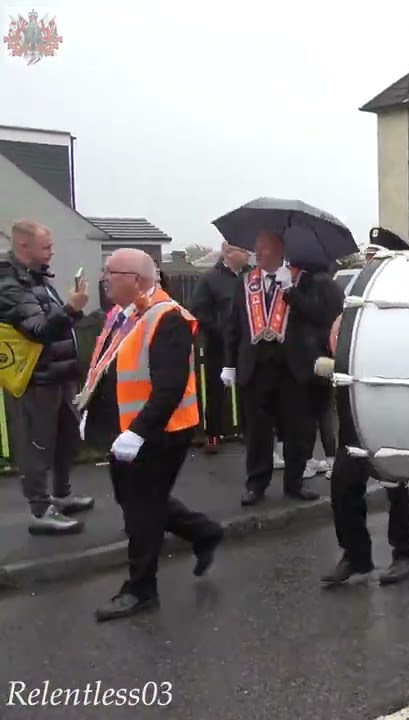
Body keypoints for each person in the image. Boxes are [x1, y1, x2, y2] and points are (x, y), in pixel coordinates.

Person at [79, 249, 224, 621]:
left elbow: (169, 387)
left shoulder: (167, 318)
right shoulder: (124, 315)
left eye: (112, 272)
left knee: (142, 509)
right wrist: (91, 409)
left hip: (160, 432)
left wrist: (139, 433)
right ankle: (204, 532)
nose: (104, 278)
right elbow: (108, 368)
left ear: (138, 280)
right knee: (138, 501)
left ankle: (141, 589)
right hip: (128, 430)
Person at [320, 231, 409, 587]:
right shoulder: (356, 304)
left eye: (376, 261)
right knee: (344, 484)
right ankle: (356, 555)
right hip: (355, 405)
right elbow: (339, 343)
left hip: (394, 404)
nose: (368, 267)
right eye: (368, 261)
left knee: (398, 482)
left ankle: (405, 553)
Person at [220, 230, 343, 506]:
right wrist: (229, 364)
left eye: (265, 248)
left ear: (280, 250)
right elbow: (233, 327)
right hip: (257, 367)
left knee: (298, 430)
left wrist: (291, 292)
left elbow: (319, 315)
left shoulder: (302, 280)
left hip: (292, 368)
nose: (259, 253)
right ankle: (256, 484)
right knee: (258, 431)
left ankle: (295, 483)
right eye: (257, 248)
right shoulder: (245, 283)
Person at [0, 220, 94, 535]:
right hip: (35, 379)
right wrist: (70, 309)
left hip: (58, 374)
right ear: (23, 246)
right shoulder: (10, 282)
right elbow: (38, 330)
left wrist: (71, 311)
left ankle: (62, 494)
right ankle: (40, 510)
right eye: (46, 246)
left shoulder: (36, 277)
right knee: (36, 445)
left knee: (65, 438)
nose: (52, 251)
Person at [189, 241, 249, 452]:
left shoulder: (248, 278)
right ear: (227, 252)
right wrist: (219, 330)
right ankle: (213, 434)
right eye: (243, 249)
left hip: (245, 343)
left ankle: (246, 430)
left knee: (247, 386)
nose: (247, 254)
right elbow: (199, 310)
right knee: (215, 390)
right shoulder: (209, 279)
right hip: (218, 344)